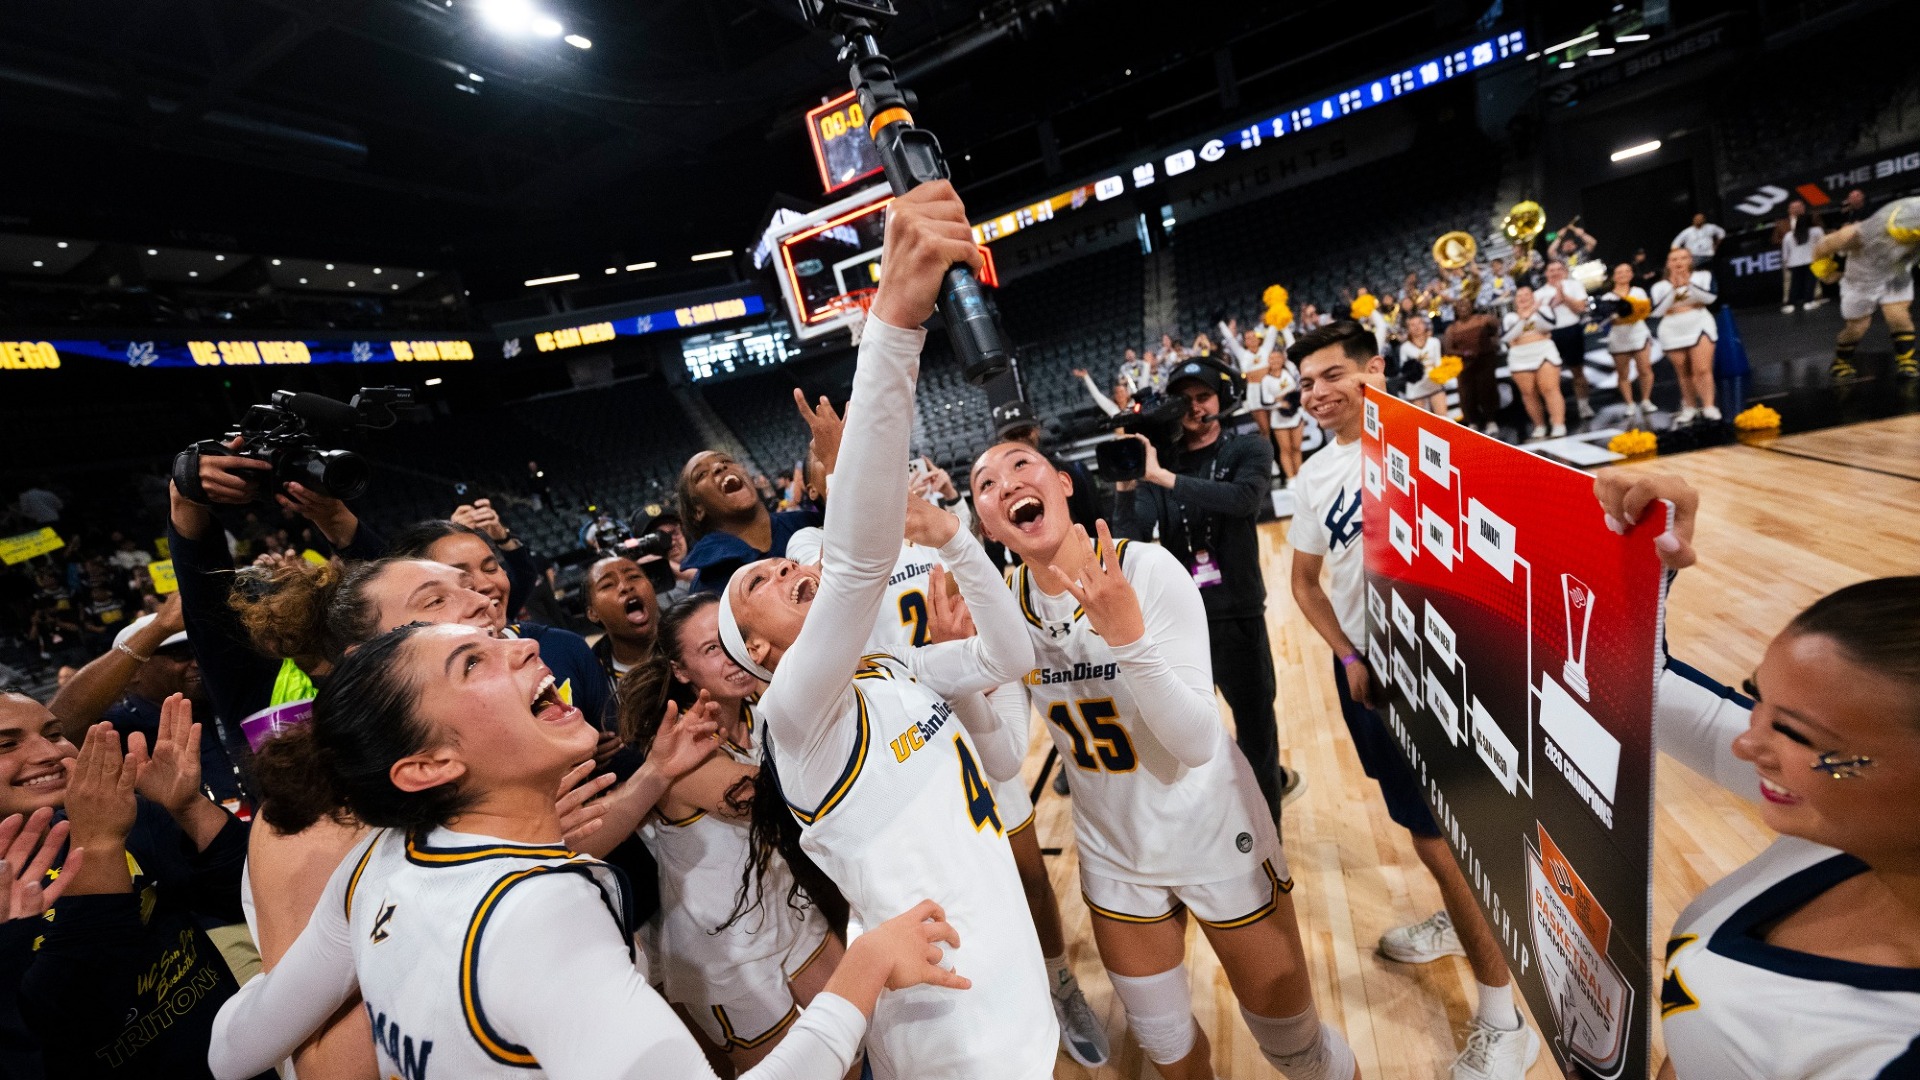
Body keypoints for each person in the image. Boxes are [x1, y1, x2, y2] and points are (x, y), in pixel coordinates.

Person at [206, 620, 968, 1080]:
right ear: (429, 766)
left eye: (497, 639)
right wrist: (864, 970)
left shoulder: (375, 865)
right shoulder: (535, 918)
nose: (522, 645)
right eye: (472, 663)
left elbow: (232, 1049)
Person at [720, 181, 1058, 1080]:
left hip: (1011, 980)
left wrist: (957, 540)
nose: (783, 568)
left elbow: (1012, 655)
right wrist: (895, 321)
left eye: (777, 564)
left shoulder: (888, 667)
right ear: (760, 654)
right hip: (949, 1029)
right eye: (758, 583)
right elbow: (858, 561)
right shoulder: (793, 717)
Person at [974, 466, 1357, 1079]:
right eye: (985, 482)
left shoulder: (1147, 568)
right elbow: (1003, 759)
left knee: (1297, 1052)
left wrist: (1128, 640)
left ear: (1063, 484)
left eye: (1021, 464)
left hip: (1212, 832)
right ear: (988, 524)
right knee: (1171, 1060)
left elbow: (1198, 741)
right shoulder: (1002, 607)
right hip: (1115, 854)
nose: (1007, 482)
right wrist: (976, 686)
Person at [1585, 473, 1920, 1078]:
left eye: (1793, 731)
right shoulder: (1850, 816)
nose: (1746, 741)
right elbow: (1639, 683)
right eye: (1755, 698)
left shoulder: (1891, 1050)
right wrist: (1635, 555)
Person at [786, 470, 1111, 1069]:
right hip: (893, 736)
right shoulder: (811, 549)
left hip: (951, 684)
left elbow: (978, 589)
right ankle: (985, 1016)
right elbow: (843, 567)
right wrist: (845, 461)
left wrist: (959, 649)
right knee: (951, 893)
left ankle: (1059, 986)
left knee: (1027, 873)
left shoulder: (924, 519)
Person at [1284, 320, 1538, 1080]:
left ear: (1374, 370)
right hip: (1370, 675)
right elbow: (1304, 582)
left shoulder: (1438, 447)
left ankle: (1506, 1020)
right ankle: (1462, 921)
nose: (1316, 394)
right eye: (1305, 384)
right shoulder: (1315, 476)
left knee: (1446, 842)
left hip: (1444, 672)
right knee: (1432, 836)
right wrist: (1348, 654)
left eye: (1332, 375)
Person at [612, 594, 853, 1074]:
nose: (731, 655)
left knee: (862, 1037)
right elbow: (778, 803)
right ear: (681, 671)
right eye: (711, 649)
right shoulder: (682, 751)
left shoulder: (759, 710)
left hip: (790, 908)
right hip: (726, 951)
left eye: (733, 639)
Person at [0, 689, 261, 1080]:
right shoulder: (103, 827)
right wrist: (99, 846)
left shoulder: (115, 815)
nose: (50, 751)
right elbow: (67, 1024)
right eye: (6, 745)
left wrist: (188, 807)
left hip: (235, 1060)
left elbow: (241, 898)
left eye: (54, 733)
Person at [1110, 354, 1300, 821]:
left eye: (1204, 397)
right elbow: (1130, 536)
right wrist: (1128, 483)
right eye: (1185, 400)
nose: (1195, 407)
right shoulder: (1160, 463)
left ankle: (1268, 835)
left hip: (1239, 612)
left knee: (1257, 729)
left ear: (1223, 398)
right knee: (1188, 735)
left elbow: (1244, 499)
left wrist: (1163, 477)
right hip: (1182, 622)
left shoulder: (1247, 448)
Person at [48, 601, 244, 806]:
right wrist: (159, 628)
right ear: (133, 672)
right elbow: (59, 724)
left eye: (199, 651)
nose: (197, 663)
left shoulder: (230, 705)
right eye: (181, 654)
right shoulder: (112, 729)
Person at [679, 418, 832, 593]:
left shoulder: (809, 522)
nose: (719, 467)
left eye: (726, 461)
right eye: (701, 474)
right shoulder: (707, 585)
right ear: (697, 510)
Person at [1812, 195, 1918, 381]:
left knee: (1898, 315)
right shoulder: (1860, 233)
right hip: (1862, 279)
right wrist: (1823, 268)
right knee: (1857, 327)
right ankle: (1841, 362)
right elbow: (1825, 244)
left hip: (1895, 273)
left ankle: (1906, 361)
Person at [1651, 248, 1720, 424]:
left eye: (1683, 258)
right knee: (1684, 372)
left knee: (1702, 369)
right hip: (1672, 328)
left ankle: (1709, 406)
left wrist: (1688, 284)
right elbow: (1657, 311)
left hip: (1700, 323)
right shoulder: (1659, 286)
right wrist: (1673, 289)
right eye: (1674, 259)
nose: (1678, 262)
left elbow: (1710, 298)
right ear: (1668, 264)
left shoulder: (1703, 276)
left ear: (1690, 260)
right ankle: (1689, 407)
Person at [1501, 286, 1567, 441]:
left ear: (1533, 297)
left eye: (1526, 294)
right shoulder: (1510, 317)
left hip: (1544, 351)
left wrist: (1534, 312)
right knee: (1528, 393)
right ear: (1515, 300)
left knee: (1550, 389)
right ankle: (1539, 425)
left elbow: (1549, 326)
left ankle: (1558, 423)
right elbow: (1507, 337)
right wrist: (1523, 319)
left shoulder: (1543, 310)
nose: (1523, 298)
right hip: (1520, 356)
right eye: (1519, 296)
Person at [583, 554, 660, 680]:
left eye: (633, 576)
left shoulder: (687, 643)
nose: (626, 587)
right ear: (593, 613)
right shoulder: (590, 676)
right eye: (608, 585)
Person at [1537, 260, 1594, 421]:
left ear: (1564, 271)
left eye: (1558, 269)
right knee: (1550, 376)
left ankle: (1584, 406)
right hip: (1549, 335)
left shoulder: (1574, 286)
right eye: (1551, 270)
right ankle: (1556, 411)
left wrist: (1563, 296)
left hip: (1571, 330)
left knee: (1577, 370)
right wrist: (1554, 301)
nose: (1555, 272)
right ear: (1546, 273)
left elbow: (1580, 308)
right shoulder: (1539, 293)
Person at [1600, 263, 1656, 426]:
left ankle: (1646, 400)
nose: (1623, 274)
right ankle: (1629, 403)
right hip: (1619, 336)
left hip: (1638, 333)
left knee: (1645, 368)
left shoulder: (1638, 292)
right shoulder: (1607, 297)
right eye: (1619, 272)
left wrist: (1632, 313)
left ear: (1631, 274)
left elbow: (1645, 311)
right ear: (1613, 276)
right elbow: (1605, 319)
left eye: (1626, 271)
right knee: (1623, 372)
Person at [1443, 298, 1503, 436]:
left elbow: (1496, 326)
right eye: (1459, 305)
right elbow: (1448, 349)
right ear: (1455, 310)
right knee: (1467, 394)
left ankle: (1491, 420)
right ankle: (1472, 422)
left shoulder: (1482, 320)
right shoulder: (1452, 329)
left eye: (1466, 304)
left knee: (1487, 390)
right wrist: (1464, 353)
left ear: (1472, 306)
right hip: (1465, 365)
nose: (1463, 307)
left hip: (1485, 360)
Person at [1773, 198, 1827, 313]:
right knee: (1798, 282)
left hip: (1802, 259)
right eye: (1794, 208)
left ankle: (1809, 299)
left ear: (1803, 208)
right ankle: (1799, 302)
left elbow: (1822, 239)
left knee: (1804, 281)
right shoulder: (1786, 230)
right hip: (1799, 260)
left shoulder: (1814, 224)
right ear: (1789, 210)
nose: (1796, 210)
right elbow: (1778, 242)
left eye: (1798, 207)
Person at [1396, 314, 1448, 415]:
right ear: (1408, 329)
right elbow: (1404, 371)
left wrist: (1441, 375)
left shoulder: (1434, 342)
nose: (1417, 327)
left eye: (1419, 323)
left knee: (1443, 418)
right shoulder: (1405, 348)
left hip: (1434, 385)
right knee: (1421, 421)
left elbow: (1438, 363)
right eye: (1412, 325)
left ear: (1425, 325)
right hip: (1416, 389)